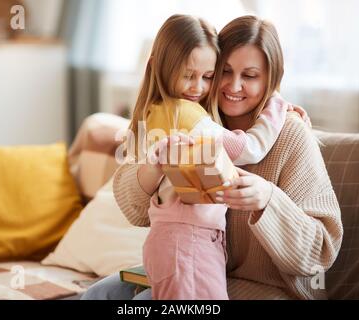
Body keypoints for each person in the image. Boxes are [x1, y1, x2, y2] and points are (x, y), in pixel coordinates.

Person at [83, 14, 340, 300]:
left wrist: (268, 199)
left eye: (251, 76)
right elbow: (135, 210)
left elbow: (319, 253)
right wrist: (154, 167)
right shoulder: (201, 119)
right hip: (195, 263)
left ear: (272, 80)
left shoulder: (291, 134)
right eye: (224, 72)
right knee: (98, 295)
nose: (234, 86)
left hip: (260, 288)